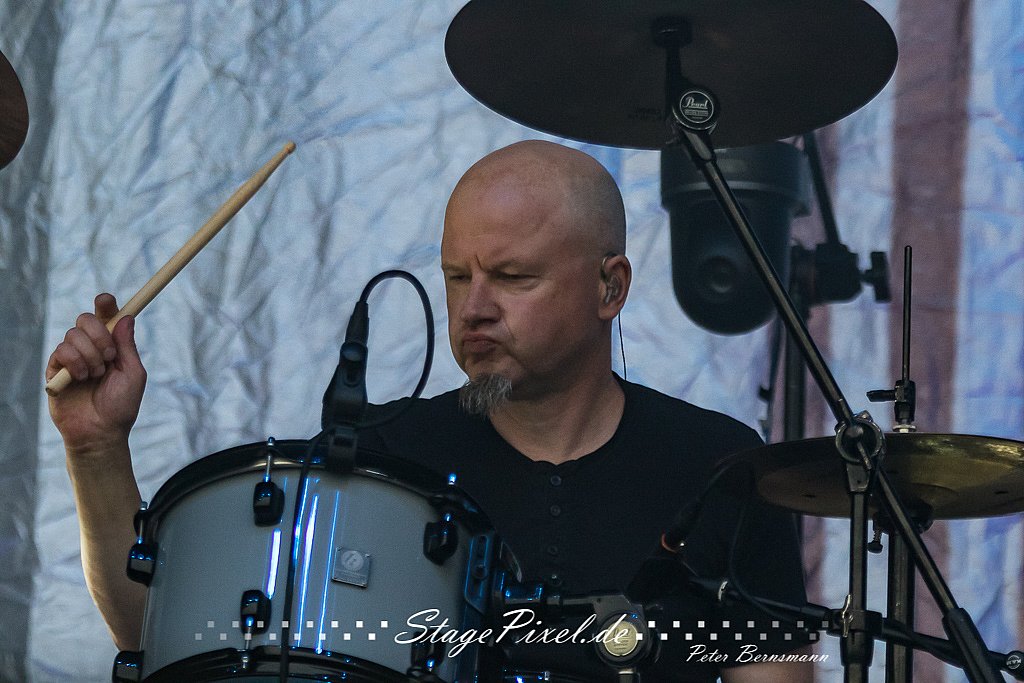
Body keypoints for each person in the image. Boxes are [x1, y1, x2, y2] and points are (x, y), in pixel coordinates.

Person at [48, 140, 813, 682]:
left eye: (512, 276)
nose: (473, 308)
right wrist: (94, 448)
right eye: (456, 276)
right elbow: (159, 628)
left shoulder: (718, 466)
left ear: (609, 287)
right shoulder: (378, 459)